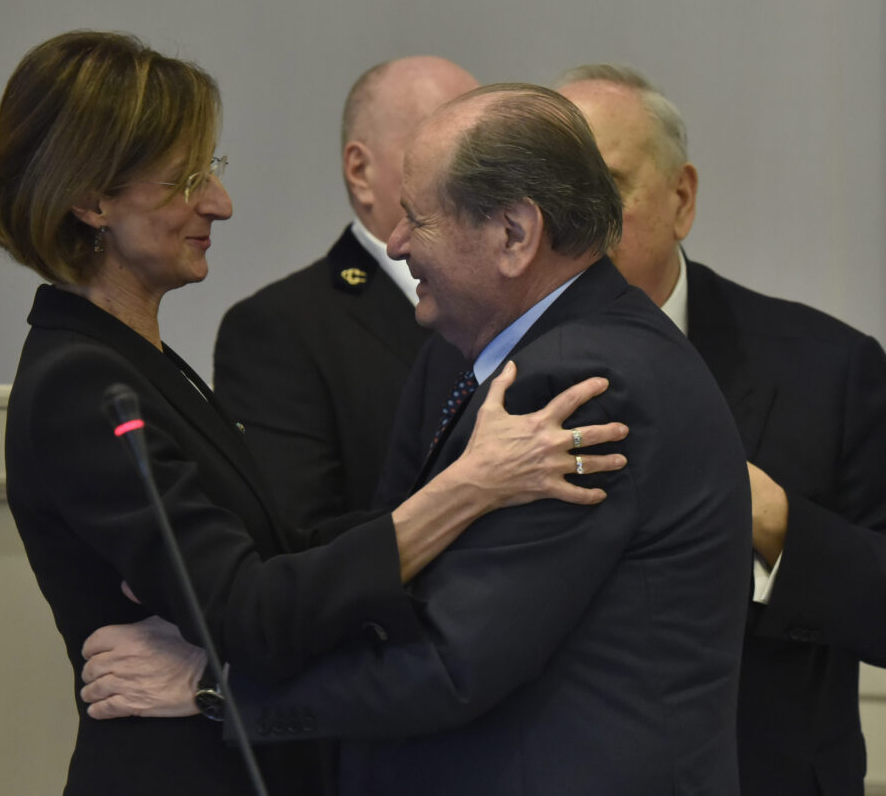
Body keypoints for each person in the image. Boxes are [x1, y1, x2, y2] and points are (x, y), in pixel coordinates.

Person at [0, 33, 627, 796]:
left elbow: (281, 553)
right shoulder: (81, 382)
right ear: (92, 200)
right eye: (187, 178)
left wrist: (472, 495)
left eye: (212, 170)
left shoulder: (135, 361)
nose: (218, 203)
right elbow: (249, 611)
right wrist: (469, 489)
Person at [80, 84, 752, 795]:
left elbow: (451, 660)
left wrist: (216, 686)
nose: (396, 245)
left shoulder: (576, 382)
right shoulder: (558, 351)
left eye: (418, 219)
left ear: (514, 234)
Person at [552, 65, 886, 796]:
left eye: (605, 186)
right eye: (553, 191)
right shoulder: (473, 370)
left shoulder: (829, 368)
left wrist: (773, 520)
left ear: (682, 198)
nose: (575, 220)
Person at [212, 56, 478, 526]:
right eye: (454, 150)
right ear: (360, 170)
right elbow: (301, 541)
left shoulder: (516, 303)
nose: (484, 175)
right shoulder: (280, 330)